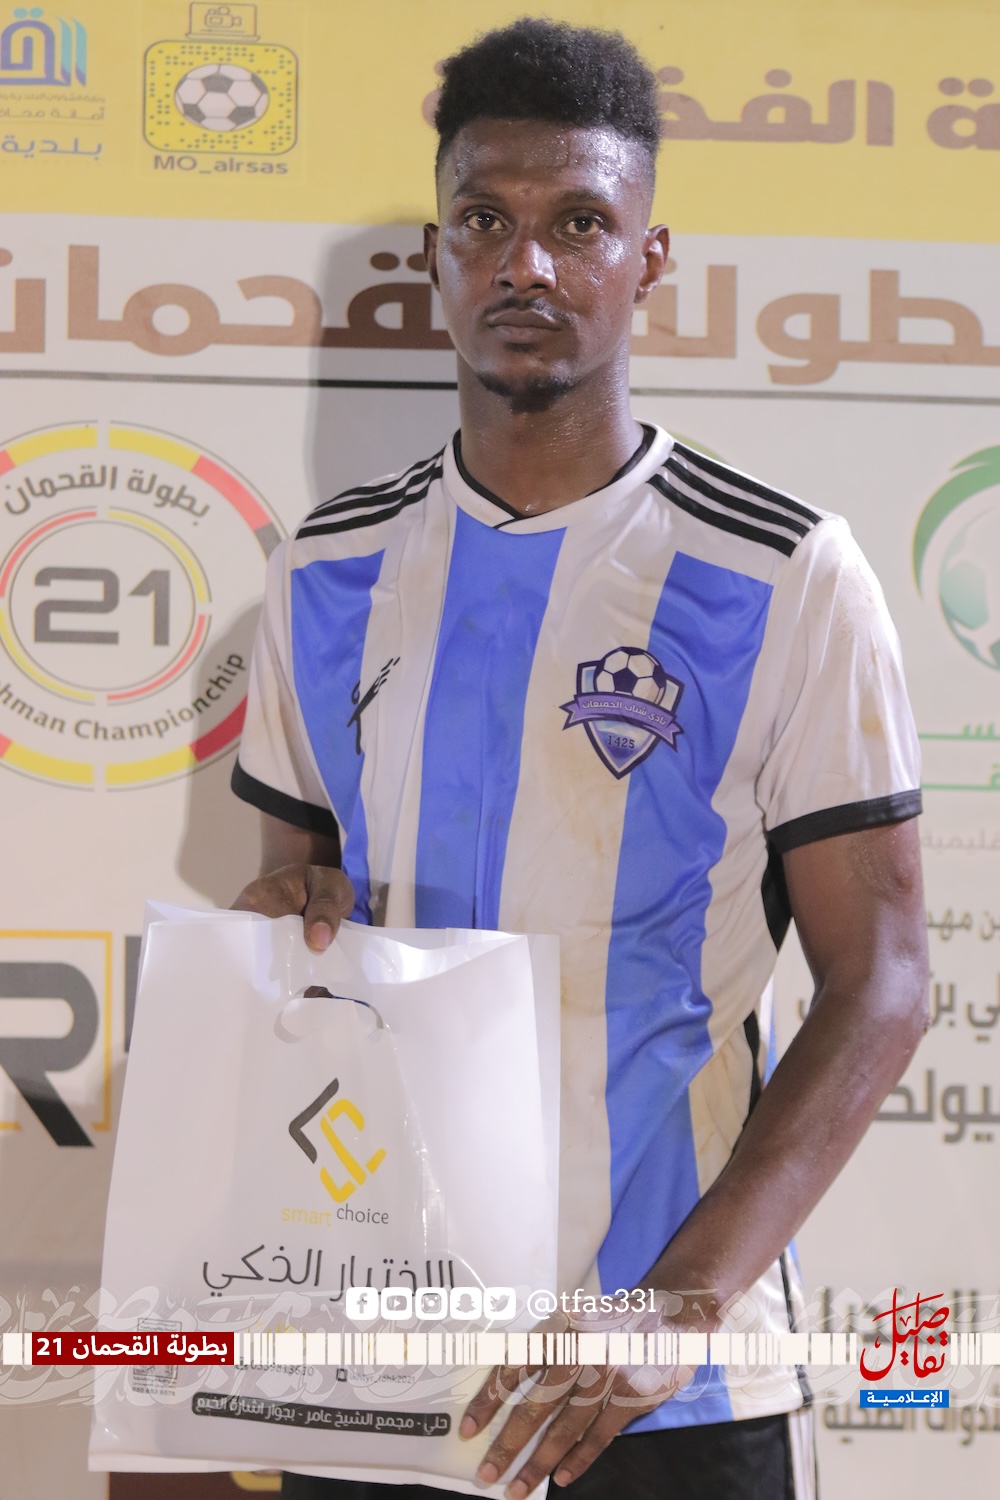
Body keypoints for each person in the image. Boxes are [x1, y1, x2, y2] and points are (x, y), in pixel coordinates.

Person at [231, 18, 928, 1499]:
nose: (527, 267)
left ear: (648, 259)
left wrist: (674, 1309)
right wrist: (287, 918)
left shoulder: (785, 573)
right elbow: (299, 892)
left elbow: (882, 978)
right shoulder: (323, 570)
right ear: (436, 256)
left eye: (579, 224)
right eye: (485, 221)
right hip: (384, 1363)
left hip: (672, 1386)